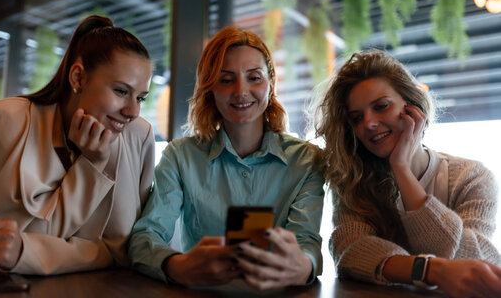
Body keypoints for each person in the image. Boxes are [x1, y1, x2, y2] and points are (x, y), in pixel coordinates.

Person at [128, 26, 324, 290]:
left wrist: (304, 266)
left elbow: (307, 241)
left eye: (254, 77)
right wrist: (180, 267)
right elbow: (145, 238)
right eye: (226, 79)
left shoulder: (307, 161)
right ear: (210, 88)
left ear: (271, 84)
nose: (241, 91)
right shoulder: (180, 157)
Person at [0, 15, 155, 275]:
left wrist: (28, 250)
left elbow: (125, 252)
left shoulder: (139, 135)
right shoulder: (5, 121)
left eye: (141, 97)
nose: (132, 111)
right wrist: (98, 252)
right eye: (121, 91)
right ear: (77, 78)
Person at [314, 49, 501, 297]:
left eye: (381, 106)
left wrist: (402, 169)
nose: (368, 123)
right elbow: (351, 251)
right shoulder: (353, 181)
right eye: (357, 117)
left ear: (413, 107)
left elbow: (477, 258)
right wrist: (430, 270)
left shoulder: (472, 177)